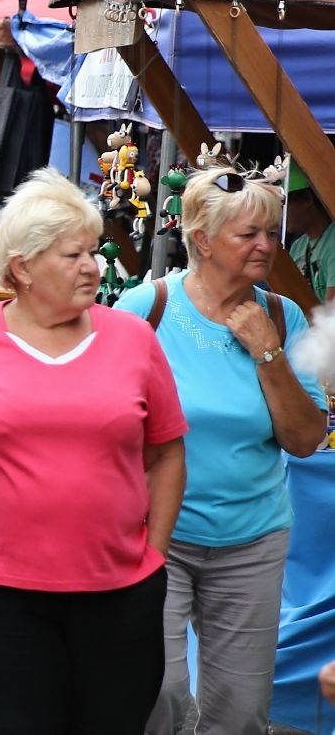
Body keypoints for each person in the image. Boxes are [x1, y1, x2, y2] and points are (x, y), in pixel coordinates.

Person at [0, 168, 188, 735]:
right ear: (23, 268)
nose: (94, 266)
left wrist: (152, 557)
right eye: (73, 255)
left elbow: (167, 453)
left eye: (93, 252)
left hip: (118, 589)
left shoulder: (132, 339)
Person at [114, 166, 329, 735]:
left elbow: (306, 439)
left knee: (239, 711)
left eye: (271, 232)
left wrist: (268, 352)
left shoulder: (281, 317)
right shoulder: (146, 308)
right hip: (154, 532)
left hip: (252, 540)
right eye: (248, 234)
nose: (266, 245)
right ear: (203, 240)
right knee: (153, 691)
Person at [285, 166, 335, 303]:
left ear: (307, 198)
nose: (281, 213)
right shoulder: (297, 246)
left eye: (284, 203)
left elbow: (332, 311)